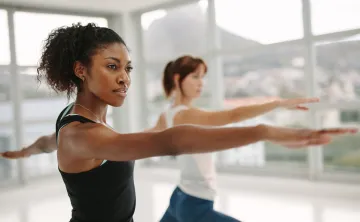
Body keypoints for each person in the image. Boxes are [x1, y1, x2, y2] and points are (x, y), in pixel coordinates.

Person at [0, 23, 357, 222]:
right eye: (112, 67)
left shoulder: (74, 121)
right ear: (80, 70)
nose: (125, 78)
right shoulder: (85, 136)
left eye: (128, 68)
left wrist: (27, 150)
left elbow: (51, 140)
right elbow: (173, 139)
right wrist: (265, 130)